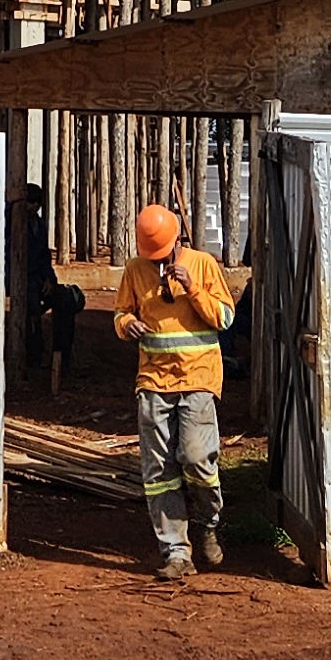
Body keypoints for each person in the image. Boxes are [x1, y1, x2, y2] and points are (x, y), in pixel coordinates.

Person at [113, 201, 236, 580]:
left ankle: (208, 522)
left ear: (178, 240)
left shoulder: (203, 265)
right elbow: (121, 312)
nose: (158, 263)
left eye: (163, 255)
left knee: (196, 457)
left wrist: (193, 289)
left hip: (198, 378)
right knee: (159, 470)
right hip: (154, 381)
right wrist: (127, 324)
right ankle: (176, 552)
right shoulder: (135, 269)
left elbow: (225, 318)